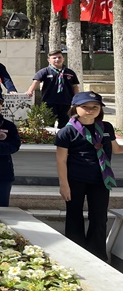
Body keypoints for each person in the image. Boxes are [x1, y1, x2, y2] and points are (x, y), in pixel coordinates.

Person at [55, 91, 123, 260]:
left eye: (95, 107)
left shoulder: (106, 127)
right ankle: (75, 253)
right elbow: (61, 160)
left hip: (101, 180)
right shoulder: (67, 132)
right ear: (75, 108)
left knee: (99, 218)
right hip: (76, 180)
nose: (90, 110)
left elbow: (115, 149)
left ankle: (97, 255)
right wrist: (64, 184)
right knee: (74, 216)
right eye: (85, 107)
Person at [25, 50, 80, 127]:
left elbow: (75, 86)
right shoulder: (45, 71)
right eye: (54, 58)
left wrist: (77, 99)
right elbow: (36, 81)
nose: (57, 59)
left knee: (64, 124)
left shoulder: (70, 72)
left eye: (59, 57)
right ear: (49, 60)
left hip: (66, 102)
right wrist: (30, 91)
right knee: (48, 124)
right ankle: (50, 139)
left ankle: (61, 138)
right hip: (49, 102)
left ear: (63, 59)